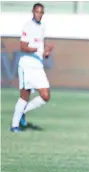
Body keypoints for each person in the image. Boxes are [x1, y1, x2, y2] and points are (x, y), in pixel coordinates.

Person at [10, 2, 53, 132]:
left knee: (45, 96)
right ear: (32, 12)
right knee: (24, 95)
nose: (39, 14)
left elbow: (41, 50)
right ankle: (14, 125)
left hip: (37, 65)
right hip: (27, 64)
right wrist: (37, 49)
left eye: (41, 12)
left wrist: (45, 53)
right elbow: (22, 46)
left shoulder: (42, 27)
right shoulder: (27, 26)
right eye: (37, 12)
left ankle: (23, 112)